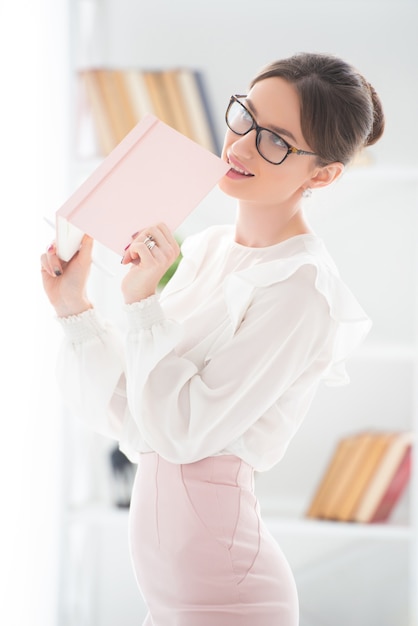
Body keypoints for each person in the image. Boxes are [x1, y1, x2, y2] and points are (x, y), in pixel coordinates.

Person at [41, 52, 384, 626]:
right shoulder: (206, 251)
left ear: (322, 174)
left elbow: (182, 433)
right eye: (244, 117)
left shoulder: (303, 290)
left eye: (276, 140)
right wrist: (74, 308)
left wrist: (143, 301)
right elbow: (135, 419)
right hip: (166, 600)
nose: (241, 145)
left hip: (231, 601)